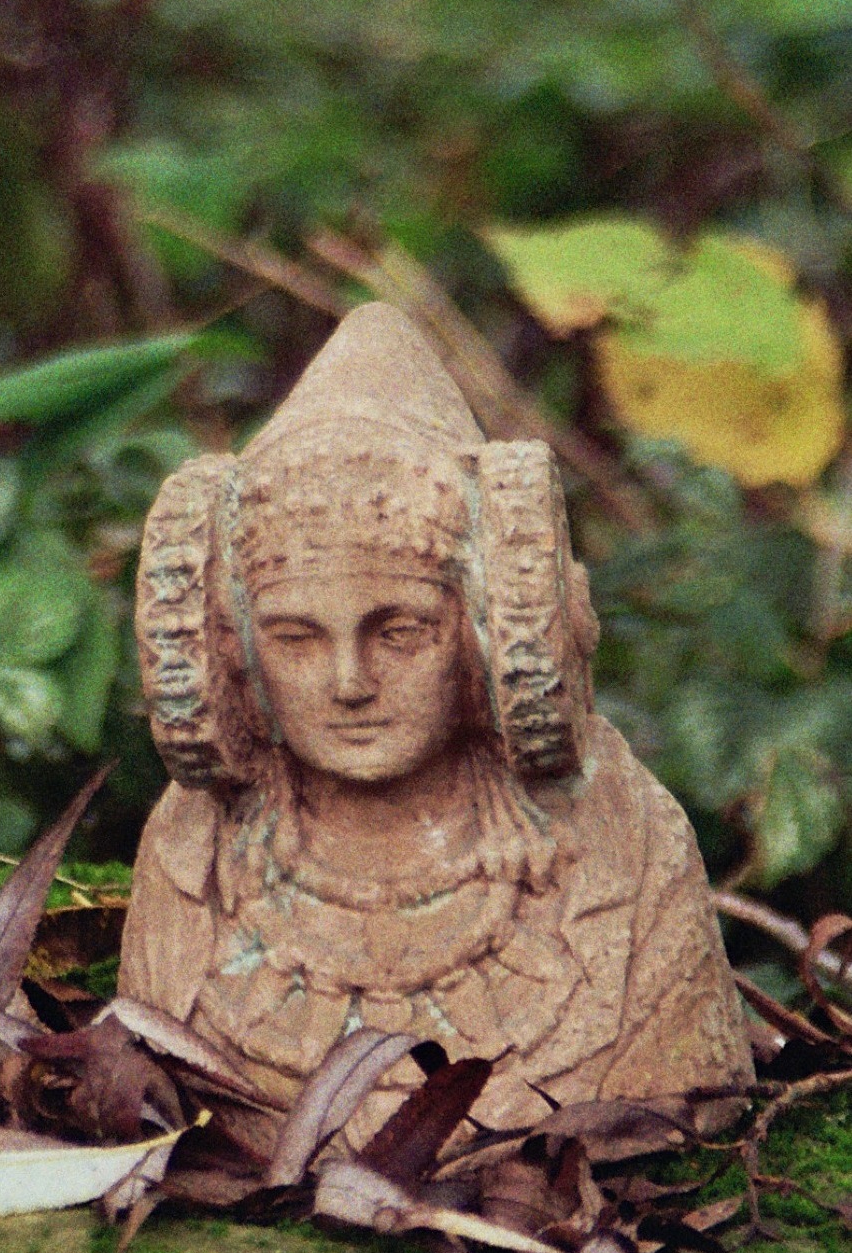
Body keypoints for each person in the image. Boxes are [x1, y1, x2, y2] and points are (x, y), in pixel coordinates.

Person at [118, 304, 753, 1142]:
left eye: (399, 631)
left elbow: (690, 1102)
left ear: (487, 629)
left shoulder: (621, 847)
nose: (349, 683)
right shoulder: (192, 855)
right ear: (232, 652)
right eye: (296, 638)